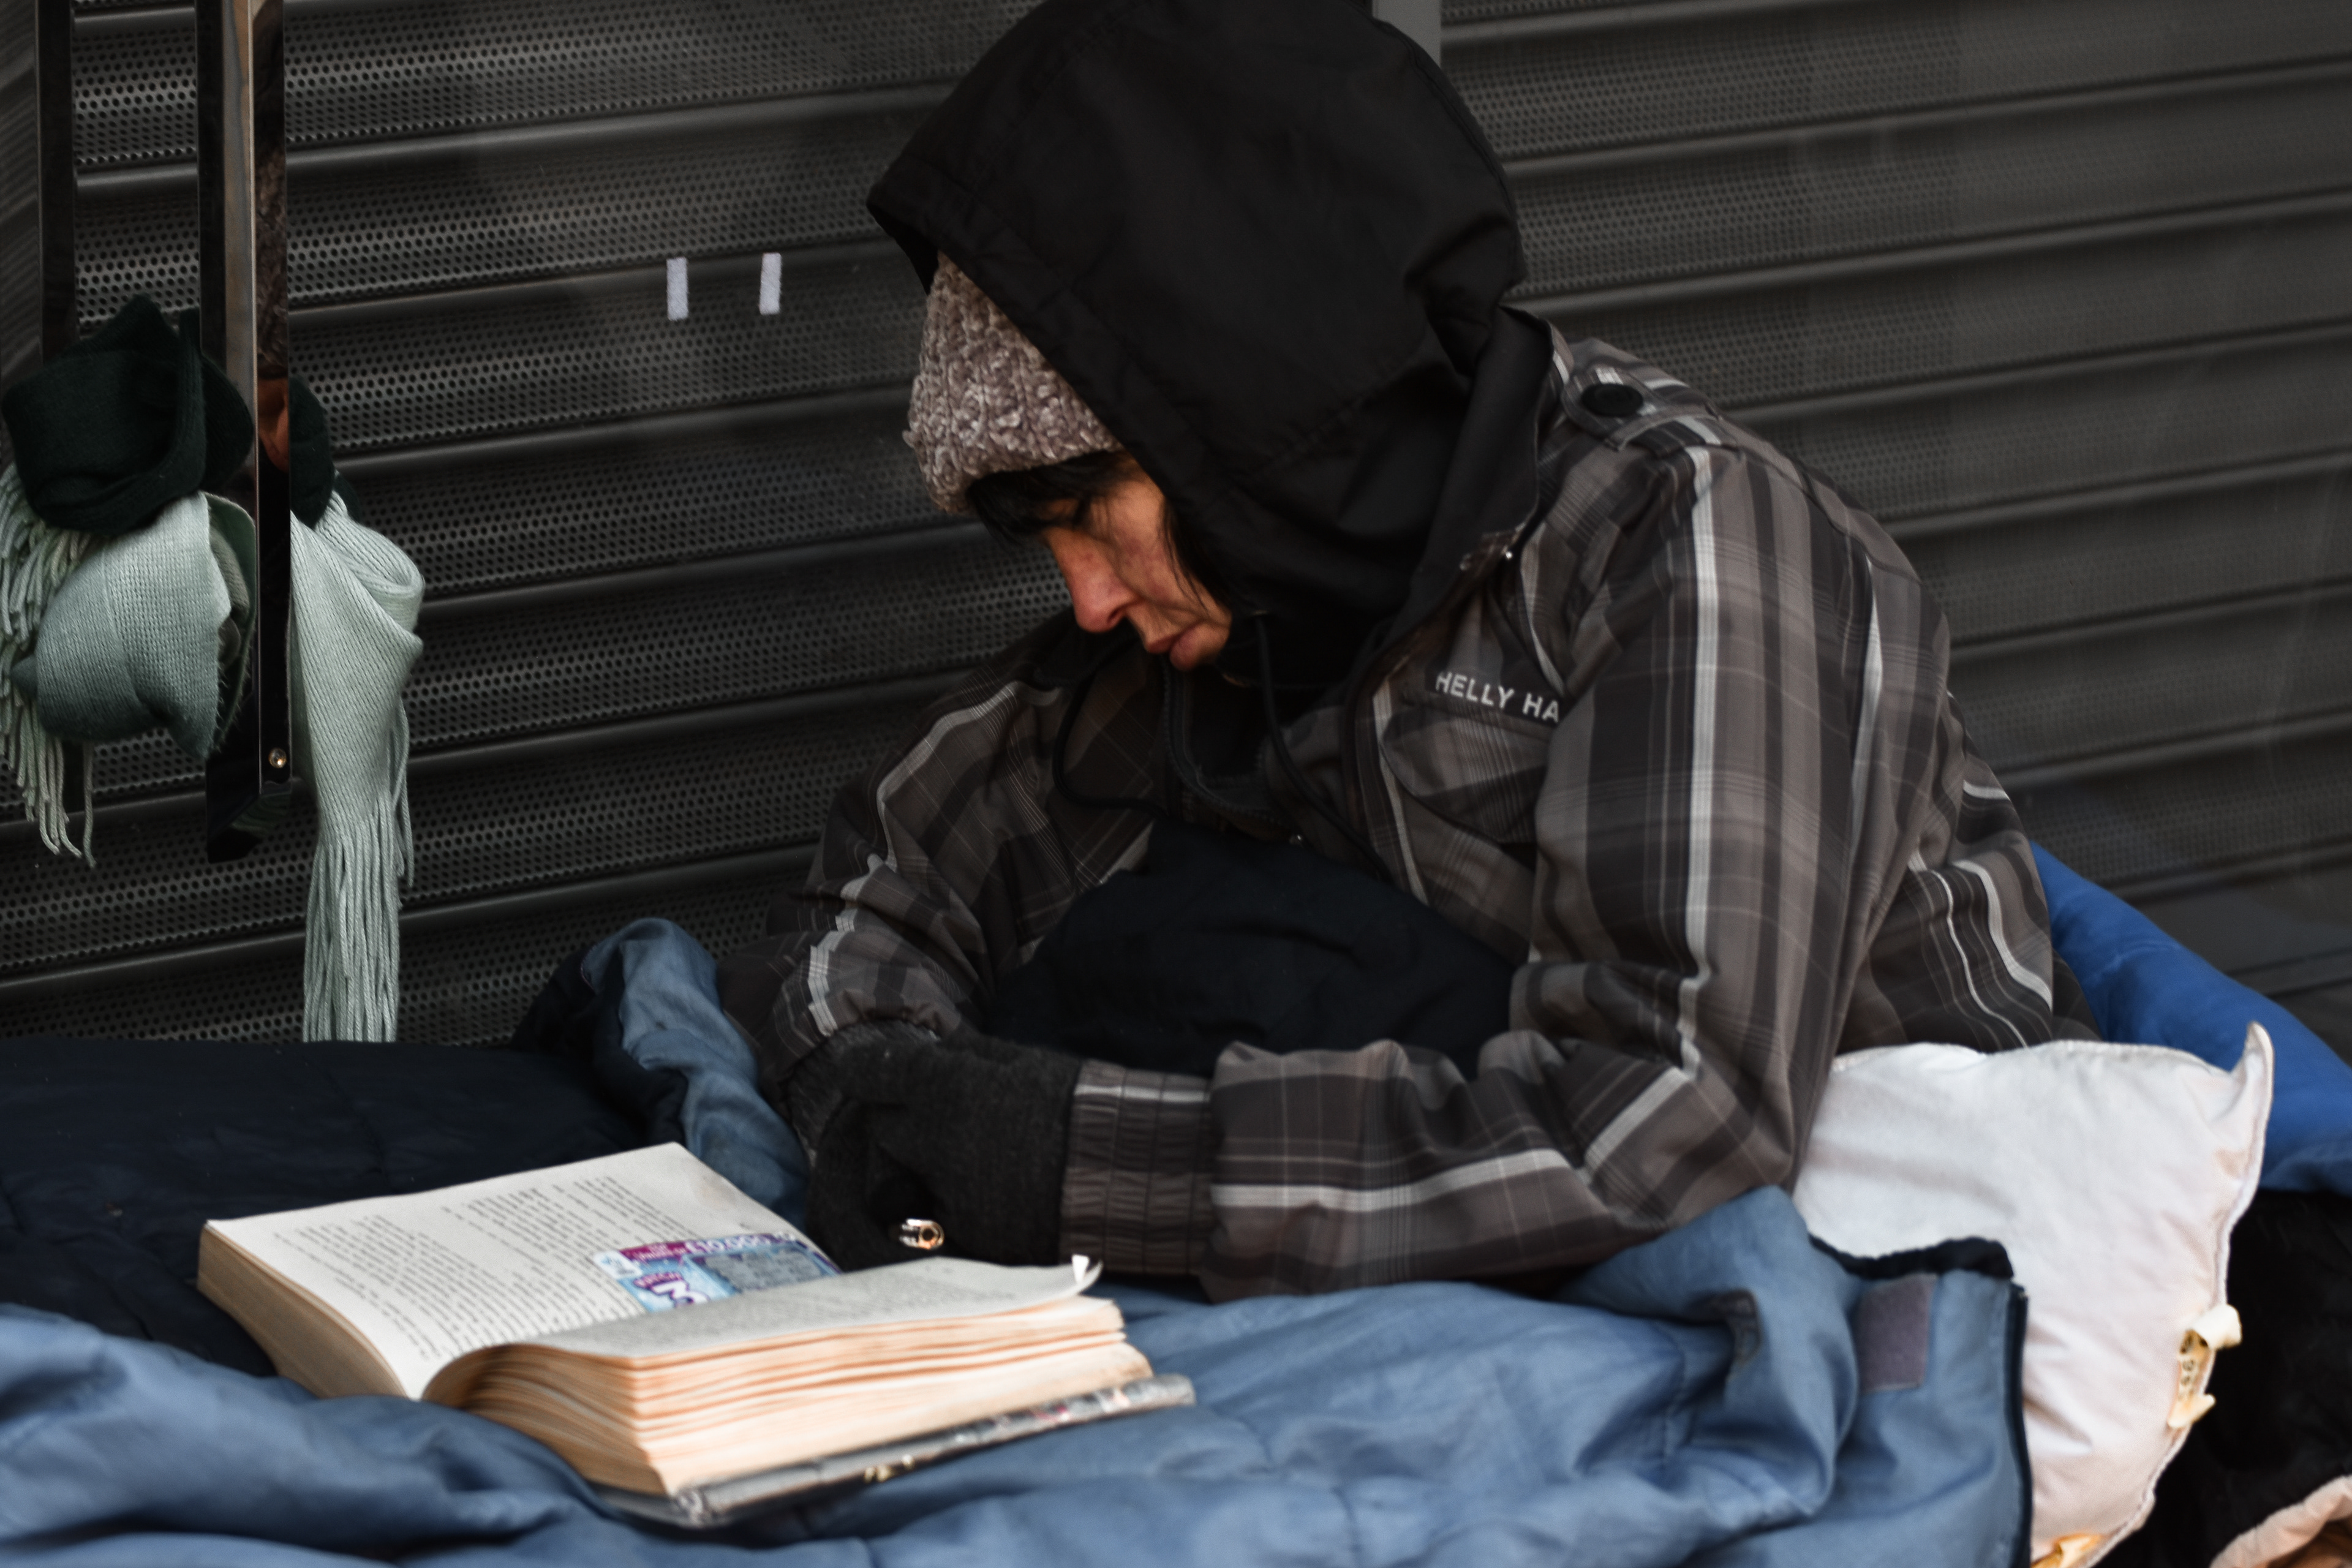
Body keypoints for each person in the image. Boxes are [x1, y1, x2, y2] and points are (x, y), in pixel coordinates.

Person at [718, 0, 2097, 1300]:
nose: (1085, 599)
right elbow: (883, 891)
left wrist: (1068, 1162)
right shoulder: (1251, 597)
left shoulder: (1686, 544)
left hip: (1909, 1260)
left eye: (1093, 513)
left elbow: (1668, 1124)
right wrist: (887, 1101)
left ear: (1241, 414)